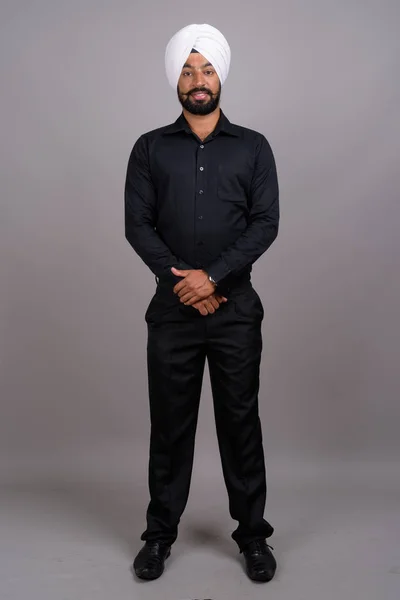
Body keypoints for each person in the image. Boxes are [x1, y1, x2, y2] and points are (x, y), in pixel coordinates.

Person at [124, 23, 280, 583]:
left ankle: (254, 538)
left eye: (207, 69)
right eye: (188, 70)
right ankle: (158, 536)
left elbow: (265, 224)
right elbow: (137, 226)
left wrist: (212, 278)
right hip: (172, 312)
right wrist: (184, 285)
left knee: (241, 422)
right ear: (176, 80)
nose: (198, 80)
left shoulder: (254, 148)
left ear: (221, 77)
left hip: (236, 310)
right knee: (170, 426)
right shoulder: (149, 148)